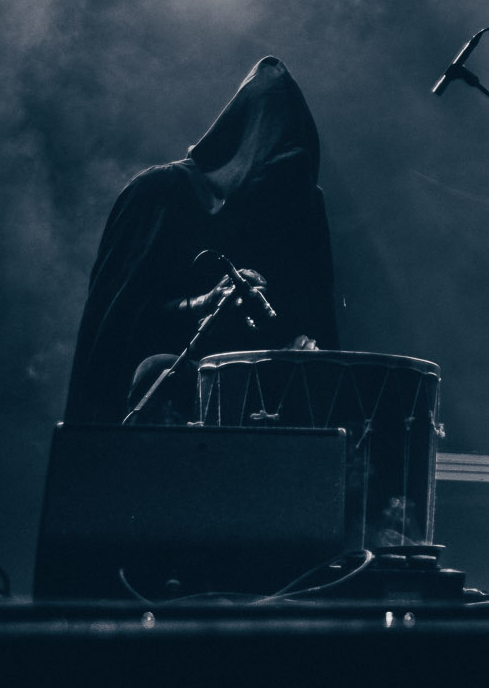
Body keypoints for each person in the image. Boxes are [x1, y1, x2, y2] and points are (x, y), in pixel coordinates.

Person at [62, 57, 340, 425]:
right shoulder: (158, 195)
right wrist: (199, 305)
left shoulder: (301, 207)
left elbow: (316, 324)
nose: (279, 195)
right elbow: (114, 329)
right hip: (149, 423)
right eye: (275, 172)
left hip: (257, 429)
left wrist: (301, 349)